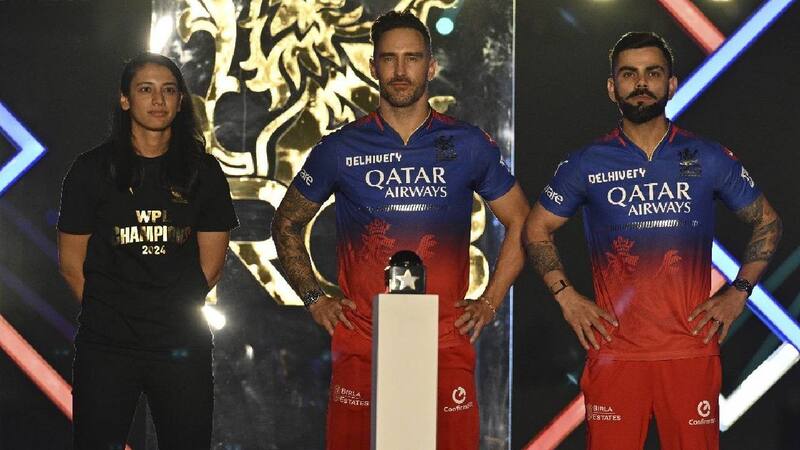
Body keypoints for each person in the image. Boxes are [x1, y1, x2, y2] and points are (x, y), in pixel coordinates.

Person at [271, 10, 529, 450]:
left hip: (444, 340)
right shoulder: (340, 147)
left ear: (431, 67)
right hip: (364, 342)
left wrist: (489, 302)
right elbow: (286, 223)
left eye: (412, 58)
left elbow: (522, 220)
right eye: (389, 59)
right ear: (373, 67)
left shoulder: (467, 143)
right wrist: (314, 298)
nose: (400, 70)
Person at [524, 31, 782, 450]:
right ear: (612, 88)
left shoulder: (707, 156)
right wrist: (566, 297)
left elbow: (767, 222)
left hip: (690, 352)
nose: (641, 83)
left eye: (653, 73)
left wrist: (739, 293)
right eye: (629, 74)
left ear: (671, 84)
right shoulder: (587, 162)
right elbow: (536, 228)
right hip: (615, 354)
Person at [57, 52, 238, 450]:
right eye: (145, 89)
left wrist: (166, 313)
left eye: (168, 90)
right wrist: (113, 315)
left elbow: (211, 267)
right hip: (106, 347)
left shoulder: (205, 172)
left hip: (181, 345)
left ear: (180, 101)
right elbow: (71, 264)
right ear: (125, 99)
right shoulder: (90, 171)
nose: (158, 100)